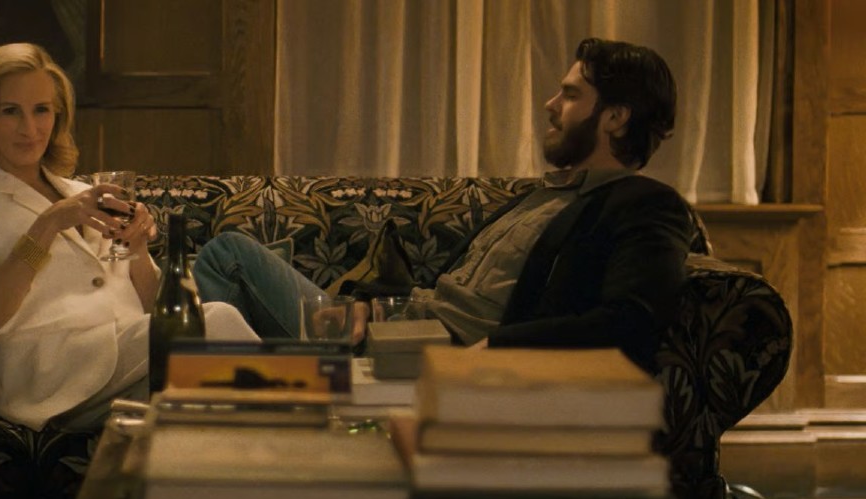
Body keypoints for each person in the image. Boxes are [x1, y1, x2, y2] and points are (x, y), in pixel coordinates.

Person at [194, 38, 693, 373]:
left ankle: (250, 399)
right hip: (397, 326)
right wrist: (369, 308)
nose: (550, 105)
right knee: (227, 261)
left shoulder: (644, 205)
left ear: (615, 118)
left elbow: (631, 320)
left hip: (441, 353)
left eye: (569, 94)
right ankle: (265, 391)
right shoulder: (544, 195)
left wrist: (497, 349)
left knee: (226, 257)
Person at [0, 43, 258, 433]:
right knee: (217, 322)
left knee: (213, 396)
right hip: (47, 373)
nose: (30, 128)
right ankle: (311, 407)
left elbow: (153, 308)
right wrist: (46, 226)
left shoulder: (82, 192)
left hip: (127, 358)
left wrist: (136, 247)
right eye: (11, 111)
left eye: (41, 110)